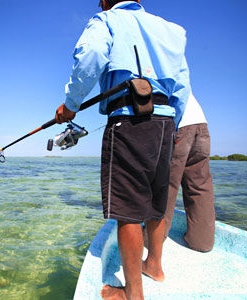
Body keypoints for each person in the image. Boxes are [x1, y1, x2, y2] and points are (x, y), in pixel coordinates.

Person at [55, 0, 191, 299]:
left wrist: (71, 104)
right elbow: (182, 85)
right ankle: (154, 266)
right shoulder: (170, 30)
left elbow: (90, 55)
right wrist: (174, 126)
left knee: (128, 211)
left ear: (104, 1)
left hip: (130, 120)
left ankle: (132, 294)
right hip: (166, 123)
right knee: (157, 202)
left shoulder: (106, 19)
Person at [163, 92, 216, 252]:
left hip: (177, 125)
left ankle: (150, 240)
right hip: (201, 126)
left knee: (165, 185)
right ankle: (201, 243)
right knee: (200, 187)